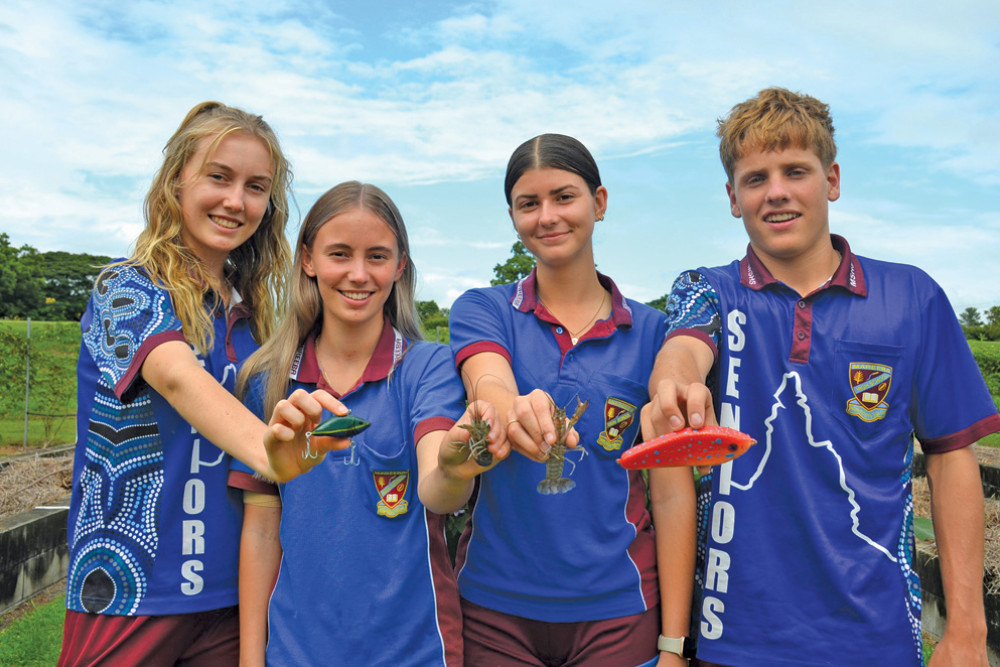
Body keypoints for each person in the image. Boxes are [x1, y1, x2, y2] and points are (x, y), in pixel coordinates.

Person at [644, 87, 1000, 666]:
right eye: (755, 178)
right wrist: (673, 384)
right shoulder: (708, 288)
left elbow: (951, 455)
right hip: (733, 644)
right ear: (733, 198)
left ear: (831, 180)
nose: (776, 191)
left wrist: (965, 630)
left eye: (795, 171)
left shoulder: (911, 295)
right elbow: (685, 346)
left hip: (877, 640)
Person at [59, 101, 342, 667]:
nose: (236, 201)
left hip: (228, 596)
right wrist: (273, 453)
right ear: (176, 182)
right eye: (219, 177)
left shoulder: (255, 319)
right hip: (129, 592)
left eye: (256, 186)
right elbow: (178, 377)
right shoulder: (127, 289)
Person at [230, 180, 504, 666]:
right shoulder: (265, 383)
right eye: (340, 254)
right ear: (309, 260)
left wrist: (457, 467)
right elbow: (260, 531)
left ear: (400, 267)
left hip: (416, 651)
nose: (358, 274)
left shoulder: (428, 368)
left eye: (377, 256)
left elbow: (438, 491)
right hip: (296, 654)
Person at [447, 134, 696, 667]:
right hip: (495, 608)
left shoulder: (655, 334)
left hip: (619, 608)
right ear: (512, 215)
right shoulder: (483, 309)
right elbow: (487, 381)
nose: (547, 216)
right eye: (528, 204)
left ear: (599, 203)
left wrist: (673, 644)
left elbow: (671, 494)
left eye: (564, 197)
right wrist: (509, 408)